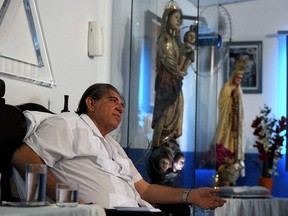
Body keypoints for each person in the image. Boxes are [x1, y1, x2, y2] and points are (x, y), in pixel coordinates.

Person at [12, 83, 225, 210]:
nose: (120, 108)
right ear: (91, 103)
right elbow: (24, 157)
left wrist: (191, 195)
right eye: (113, 101)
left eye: (122, 105)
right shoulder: (68, 123)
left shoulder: (113, 146)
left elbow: (146, 190)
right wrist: (73, 203)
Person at [151, 6, 187, 149]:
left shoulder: (173, 39)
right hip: (166, 83)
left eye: (180, 18)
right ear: (167, 19)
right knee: (167, 112)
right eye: (176, 17)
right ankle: (161, 141)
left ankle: (171, 138)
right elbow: (168, 60)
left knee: (178, 106)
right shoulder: (164, 39)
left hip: (174, 82)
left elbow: (181, 54)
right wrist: (179, 71)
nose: (179, 20)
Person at [215, 58, 246, 177]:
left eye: (241, 78)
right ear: (233, 77)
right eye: (238, 77)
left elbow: (241, 107)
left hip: (236, 123)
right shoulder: (226, 87)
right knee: (224, 140)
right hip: (227, 121)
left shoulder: (239, 90)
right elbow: (222, 103)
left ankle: (233, 168)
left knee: (235, 143)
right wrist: (231, 97)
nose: (239, 80)